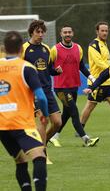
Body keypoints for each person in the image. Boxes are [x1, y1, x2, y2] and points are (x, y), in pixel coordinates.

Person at [0, 31, 48, 191]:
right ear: (22, 48)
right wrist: (44, 115)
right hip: (22, 124)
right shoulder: (26, 67)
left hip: (2, 127)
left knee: (20, 161)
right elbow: (41, 97)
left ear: (4, 48)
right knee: (39, 156)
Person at [48, 25, 99, 147]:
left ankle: (54, 136)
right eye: (65, 32)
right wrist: (55, 71)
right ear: (61, 34)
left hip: (74, 86)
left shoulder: (78, 48)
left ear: (73, 33)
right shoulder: (55, 49)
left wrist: (91, 77)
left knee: (67, 113)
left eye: (69, 32)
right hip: (61, 88)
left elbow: (81, 66)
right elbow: (48, 68)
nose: (67, 34)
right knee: (74, 111)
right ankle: (86, 139)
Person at [21, 20, 62, 164]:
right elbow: (18, 69)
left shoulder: (46, 49)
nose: (41, 34)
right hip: (33, 92)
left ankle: (40, 143)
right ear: (31, 32)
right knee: (43, 122)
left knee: (57, 123)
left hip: (47, 91)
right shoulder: (24, 49)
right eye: (38, 32)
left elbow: (49, 69)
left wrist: (56, 72)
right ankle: (43, 154)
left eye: (42, 32)